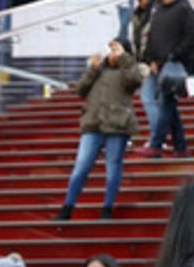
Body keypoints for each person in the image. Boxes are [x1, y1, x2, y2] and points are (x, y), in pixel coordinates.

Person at [58, 39, 143, 221]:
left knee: (113, 166)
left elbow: (135, 81)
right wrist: (93, 68)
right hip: (93, 123)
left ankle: (107, 207)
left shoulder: (128, 69)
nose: (112, 53)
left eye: (116, 50)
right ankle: (68, 206)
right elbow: (80, 90)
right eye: (111, 50)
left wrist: (124, 59)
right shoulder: (99, 69)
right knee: (81, 166)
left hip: (117, 124)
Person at [140, 0, 194, 157]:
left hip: (173, 66)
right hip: (157, 65)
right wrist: (151, 59)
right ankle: (180, 145)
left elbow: (193, 36)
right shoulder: (158, 10)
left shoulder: (184, 10)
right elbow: (152, 37)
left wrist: (174, 55)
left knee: (166, 102)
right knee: (168, 104)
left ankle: (157, 143)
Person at [129, 0, 159, 144]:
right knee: (157, 102)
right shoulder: (138, 14)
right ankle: (161, 137)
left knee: (147, 99)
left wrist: (155, 60)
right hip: (142, 63)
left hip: (153, 63)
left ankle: (156, 138)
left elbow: (157, 38)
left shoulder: (156, 13)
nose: (138, 1)